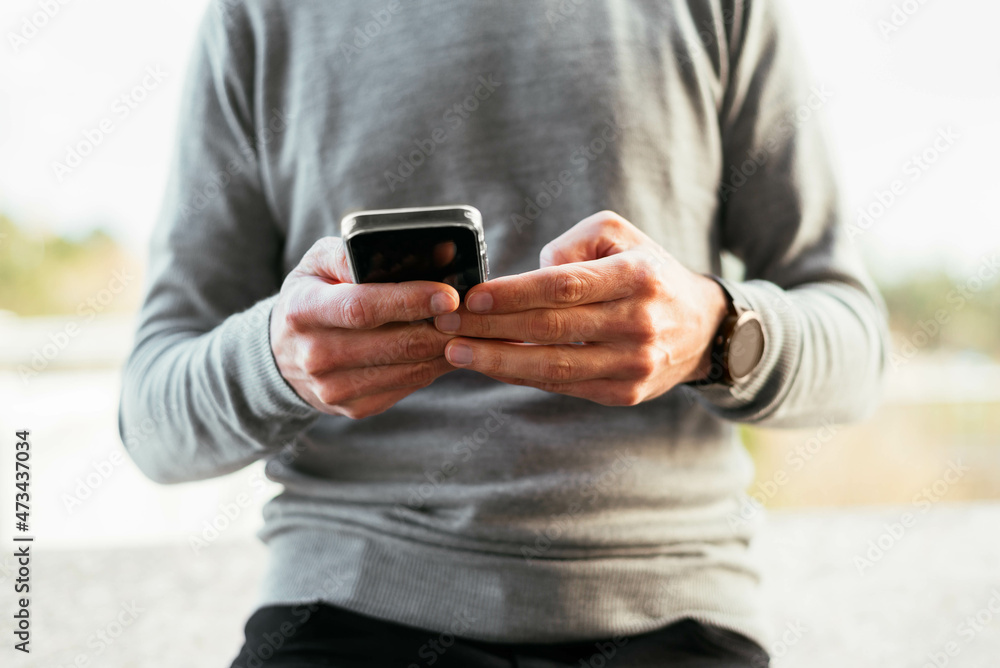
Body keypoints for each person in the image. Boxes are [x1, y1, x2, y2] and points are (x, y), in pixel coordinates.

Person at [118, 0, 888, 666]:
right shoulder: (258, 15)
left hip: (674, 611)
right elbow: (151, 418)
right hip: (348, 609)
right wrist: (275, 359)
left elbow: (857, 349)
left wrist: (717, 331)